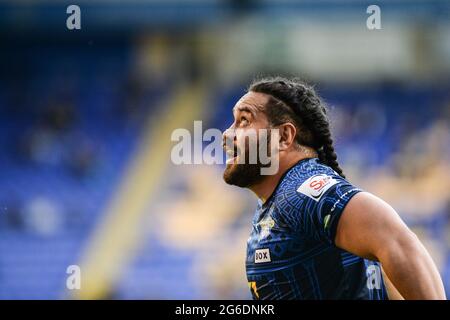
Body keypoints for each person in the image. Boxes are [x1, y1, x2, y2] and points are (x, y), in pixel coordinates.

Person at [222, 76, 446, 300]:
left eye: (244, 121)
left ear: (283, 136)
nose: (227, 134)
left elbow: (397, 241)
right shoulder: (277, 203)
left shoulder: (302, 190)